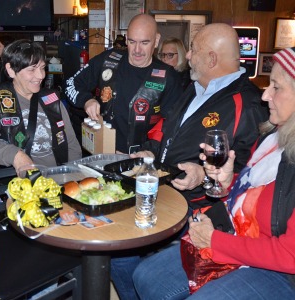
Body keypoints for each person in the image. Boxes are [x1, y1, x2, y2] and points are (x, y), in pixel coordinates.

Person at [110, 23, 268, 300]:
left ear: (211, 59)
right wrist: (149, 152)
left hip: (201, 213)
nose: (189, 56)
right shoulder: (195, 86)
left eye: (194, 50)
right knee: (116, 253)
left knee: (141, 272)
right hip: (164, 194)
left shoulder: (251, 104)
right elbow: (168, 130)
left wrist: (204, 177)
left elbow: (253, 178)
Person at [132, 46, 295, 299]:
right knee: (146, 277)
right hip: (237, 233)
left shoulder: (249, 106)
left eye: (276, 87)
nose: (265, 96)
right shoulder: (274, 136)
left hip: (279, 271)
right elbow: (260, 195)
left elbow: (289, 255)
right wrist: (229, 181)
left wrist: (215, 240)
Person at [65, 13, 182, 154]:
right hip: (101, 152)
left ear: (156, 41)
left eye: (144, 43)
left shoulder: (168, 77)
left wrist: (151, 150)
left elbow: (172, 124)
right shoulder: (108, 60)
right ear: (126, 39)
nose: (137, 50)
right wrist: (86, 100)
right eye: (132, 42)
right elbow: (71, 84)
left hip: (141, 158)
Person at [0, 39, 82, 171]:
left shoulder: (51, 99)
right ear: (11, 70)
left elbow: (72, 144)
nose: (40, 76)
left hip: (57, 176)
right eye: (32, 69)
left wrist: (73, 174)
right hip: (18, 181)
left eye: (42, 68)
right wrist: (14, 155)